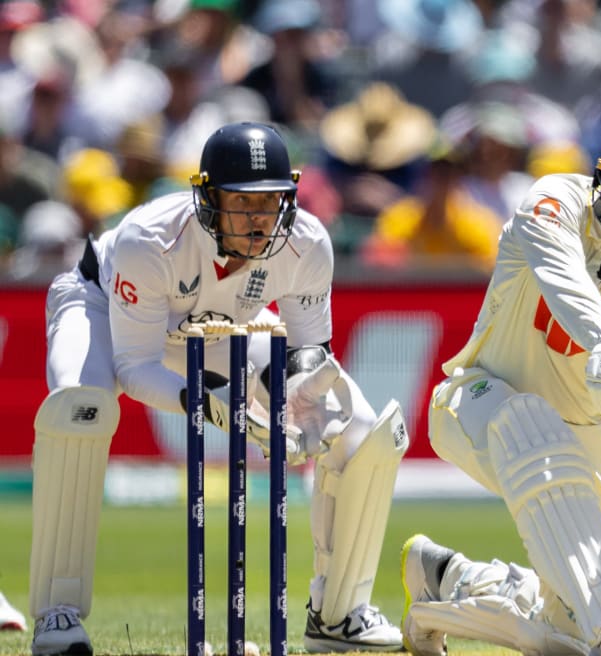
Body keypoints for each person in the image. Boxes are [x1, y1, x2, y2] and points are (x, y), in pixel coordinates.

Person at [28, 122, 406, 655]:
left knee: (361, 427)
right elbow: (134, 366)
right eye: (242, 202)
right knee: (80, 408)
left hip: (223, 325)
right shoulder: (151, 239)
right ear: (206, 196)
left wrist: (300, 393)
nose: (259, 219)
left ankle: (339, 614)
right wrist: (209, 403)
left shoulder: (307, 244)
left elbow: (307, 354)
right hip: (104, 305)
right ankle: (57, 614)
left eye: (271, 201)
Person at [401, 122, 601, 656]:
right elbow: (571, 295)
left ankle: (449, 584)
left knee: (564, 621)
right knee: (532, 426)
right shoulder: (554, 202)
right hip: (477, 400)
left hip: (589, 439)